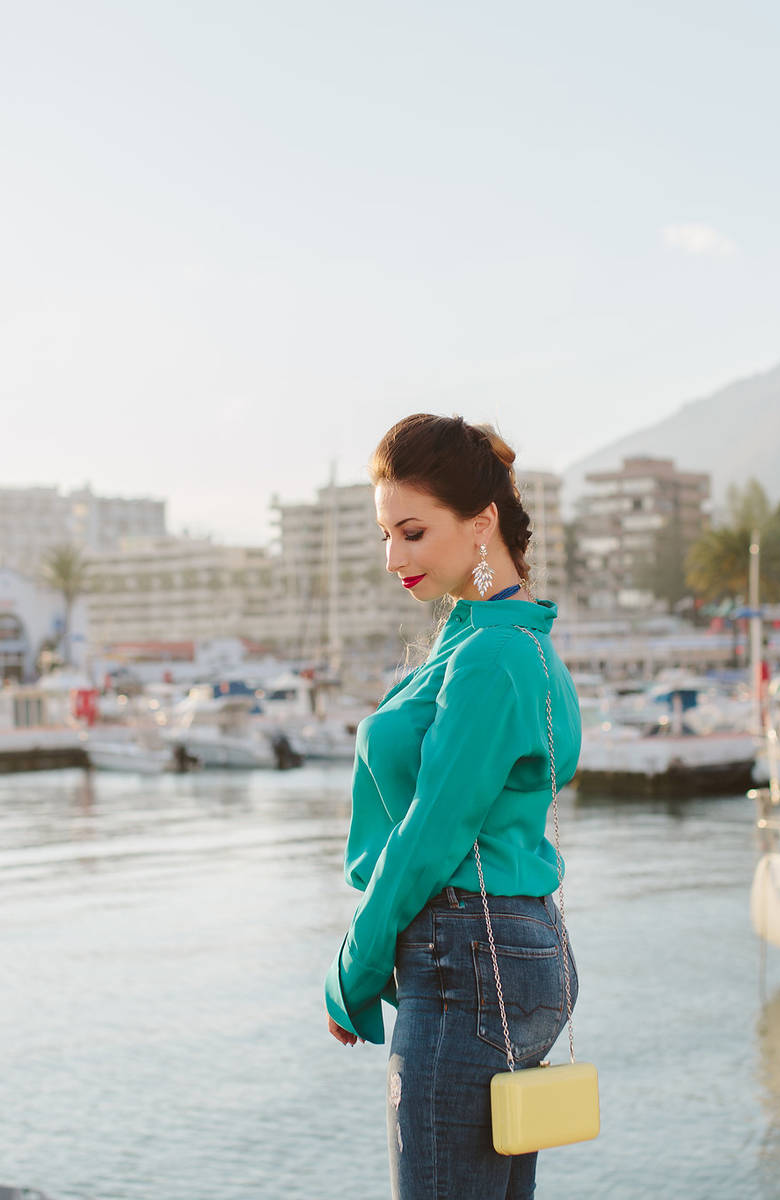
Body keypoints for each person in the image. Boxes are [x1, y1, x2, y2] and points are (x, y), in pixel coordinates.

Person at [325, 414, 584, 1200]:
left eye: (412, 531)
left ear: (481, 522)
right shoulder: (506, 640)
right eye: (384, 536)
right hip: (508, 950)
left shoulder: (491, 657)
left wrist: (354, 970)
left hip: (468, 957)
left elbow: (431, 835)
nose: (395, 556)